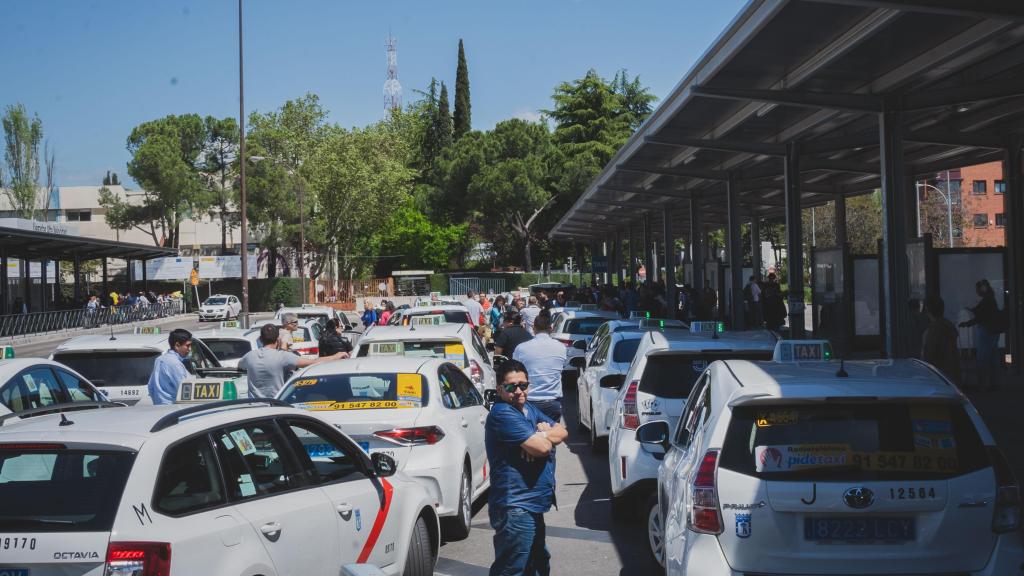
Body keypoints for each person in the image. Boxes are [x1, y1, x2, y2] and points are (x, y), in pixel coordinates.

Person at [485, 359, 568, 576]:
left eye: (524, 385)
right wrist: (542, 438)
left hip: (532, 504)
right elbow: (541, 448)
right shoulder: (503, 413)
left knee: (538, 564)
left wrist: (540, 435)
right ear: (500, 389)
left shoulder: (527, 408)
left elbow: (561, 431)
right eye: (512, 387)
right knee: (513, 568)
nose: (519, 391)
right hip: (515, 507)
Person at [240, 324, 347, 398]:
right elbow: (313, 363)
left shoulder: (250, 356)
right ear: (278, 339)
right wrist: (336, 356)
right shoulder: (283, 357)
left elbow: (240, 365)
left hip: (254, 407)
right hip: (274, 405)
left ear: (260, 339)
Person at [512, 313, 566, 422]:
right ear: (551, 328)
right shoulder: (561, 347)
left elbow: (515, 371)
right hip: (553, 403)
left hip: (528, 401)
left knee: (529, 436)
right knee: (552, 436)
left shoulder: (521, 348)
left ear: (533, 328)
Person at [959, 279, 1003, 390]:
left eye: (977, 289)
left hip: (986, 330)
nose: (976, 291)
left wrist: (967, 323)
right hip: (993, 331)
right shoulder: (990, 299)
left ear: (981, 288)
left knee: (983, 357)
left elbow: (980, 316)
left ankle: (984, 383)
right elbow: (981, 312)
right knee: (993, 356)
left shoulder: (987, 300)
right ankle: (994, 382)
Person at [147, 329, 195, 405]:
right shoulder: (175, 364)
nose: (190, 349)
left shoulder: (160, 359)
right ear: (177, 345)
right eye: (187, 345)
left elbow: (151, 387)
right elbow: (186, 392)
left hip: (159, 408)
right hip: (174, 408)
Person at [922, 295, 961, 387]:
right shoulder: (949, 326)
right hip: (952, 377)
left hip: (938, 378)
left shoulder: (933, 330)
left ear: (927, 309)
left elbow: (929, 355)